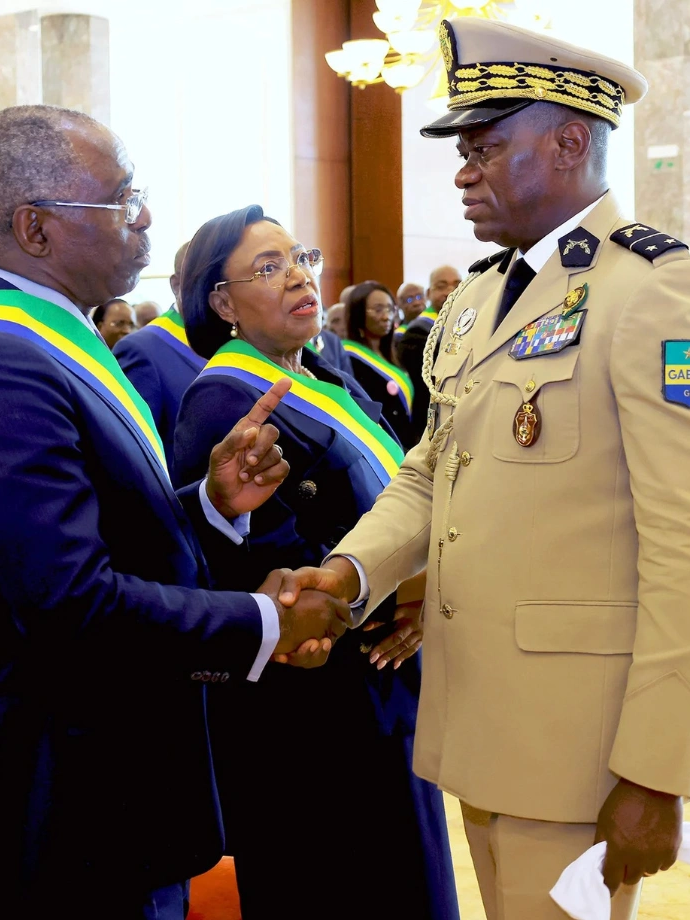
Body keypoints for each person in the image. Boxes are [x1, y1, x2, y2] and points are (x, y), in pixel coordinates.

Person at [293, 19, 690, 920]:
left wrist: (656, 771)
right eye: (464, 150)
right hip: (482, 723)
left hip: (581, 749)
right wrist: (349, 574)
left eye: (488, 147)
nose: (464, 171)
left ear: (571, 141)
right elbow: (434, 469)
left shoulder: (654, 289)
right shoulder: (474, 301)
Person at [0, 105, 350, 920]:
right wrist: (262, 625)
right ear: (36, 228)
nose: (145, 217)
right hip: (58, 809)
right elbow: (69, 604)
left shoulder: (54, 339)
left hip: (108, 796)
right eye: (122, 199)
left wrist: (212, 505)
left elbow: (104, 542)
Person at [173, 205, 456, 920]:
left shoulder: (325, 375)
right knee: (340, 883)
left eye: (300, 257)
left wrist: (424, 595)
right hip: (310, 713)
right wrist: (405, 593)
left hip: (378, 684)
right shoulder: (223, 401)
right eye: (268, 267)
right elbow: (255, 569)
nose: (298, 275)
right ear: (222, 301)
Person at [114, 241, 205, 453]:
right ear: (176, 285)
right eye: (203, 278)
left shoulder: (241, 338)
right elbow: (136, 451)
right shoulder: (142, 349)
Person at [344, 280, 417, 446]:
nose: (386, 316)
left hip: (405, 446)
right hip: (378, 446)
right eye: (378, 310)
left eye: (390, 309)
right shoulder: (348, 357)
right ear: (358, 313)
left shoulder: (397, 351)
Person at [398, 263, 463, 436]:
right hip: (432, 421)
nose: (450, 291)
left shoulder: (469, 322)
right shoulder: (417, 332)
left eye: (457, 285)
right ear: (428, 294)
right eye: (441, 286)